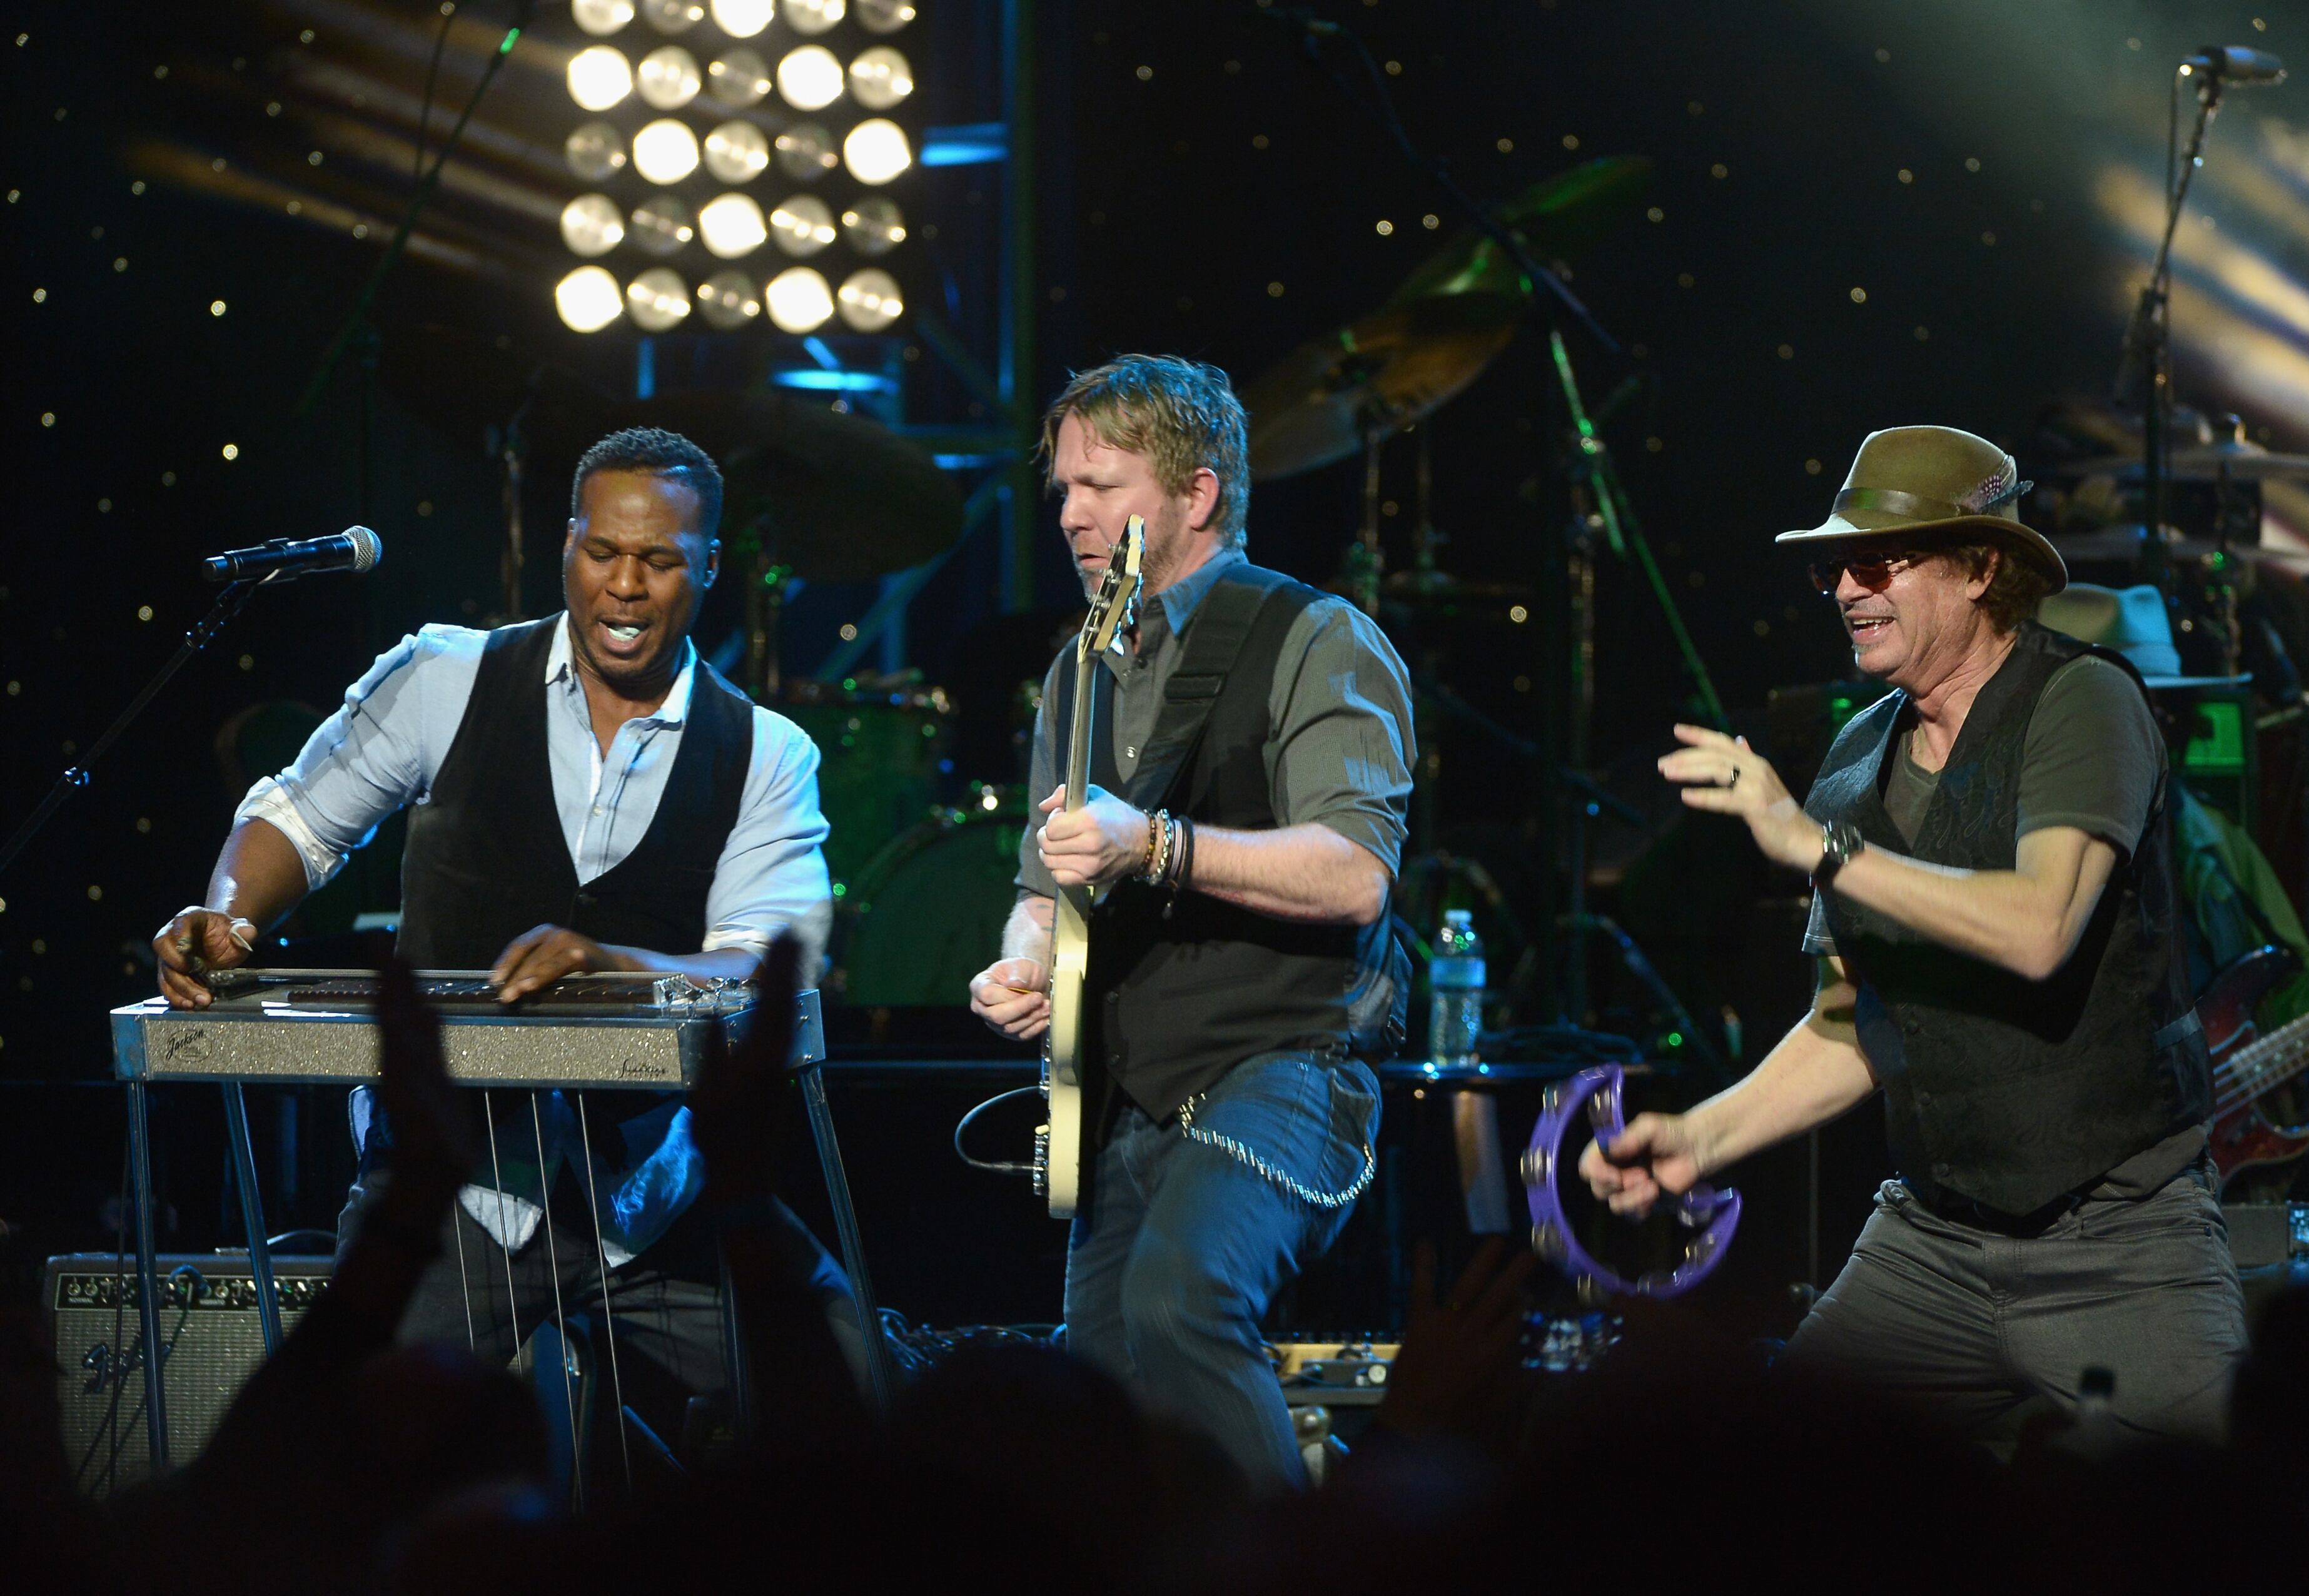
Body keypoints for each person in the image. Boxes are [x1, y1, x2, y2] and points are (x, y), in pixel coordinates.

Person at [151, 427, 864, 1436]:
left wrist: (619, 965)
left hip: (652, 1204)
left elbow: (767, 962)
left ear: (709, 565)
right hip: (455, 1186)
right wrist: (229, 911)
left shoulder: (768, 751)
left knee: (851, 1384)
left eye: (659, 560)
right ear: (566, 544)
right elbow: (297, 820)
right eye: (602, 552)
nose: (624, 585)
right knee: (338, 1447)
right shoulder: (445, 676)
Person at [1584, 425, 2243, 1448]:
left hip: (2121, 1244)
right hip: (1931, 1246)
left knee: (2205, 1536)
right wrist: (1698, 1138)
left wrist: (1817, 844)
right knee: (1770, 1481)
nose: (1847, 588)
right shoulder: (1855, 763)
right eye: (1833, 567)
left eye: (1877, 560)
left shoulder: (2086, 701)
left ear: (1980, 567)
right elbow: (1855, 1024)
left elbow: (2038, 928)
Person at [966, 355, 1415, 1492]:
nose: (1069, 514)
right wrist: (1022, 960)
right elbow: (1045, 878)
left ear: (1197, 495)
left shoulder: (1318, 638)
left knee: (1182, 1296)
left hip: (1289, 1063)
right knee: (1104, 1373)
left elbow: (1357, 872)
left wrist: (1156, 843)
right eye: (1062, 487)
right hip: (1127, 1081)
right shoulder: (1077, 670)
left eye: (1100, 487)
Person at [2039, 581, 2309, 1196]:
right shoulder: (2012, 840)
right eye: (2126, 711)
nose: (2151, 731)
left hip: (2193, 1197)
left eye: (2163, 713)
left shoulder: (2208, 835)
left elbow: (2285, 1001)